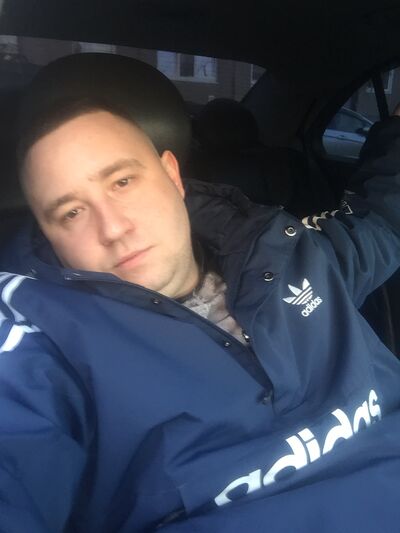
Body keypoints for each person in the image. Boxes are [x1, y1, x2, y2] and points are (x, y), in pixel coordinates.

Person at [1, 53, 400, 533]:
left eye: (122, 181)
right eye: (70, 212)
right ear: (49, 236)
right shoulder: (42, 348)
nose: (113, 228)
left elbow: (385, 222)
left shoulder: (288, 251)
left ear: (172, 176)